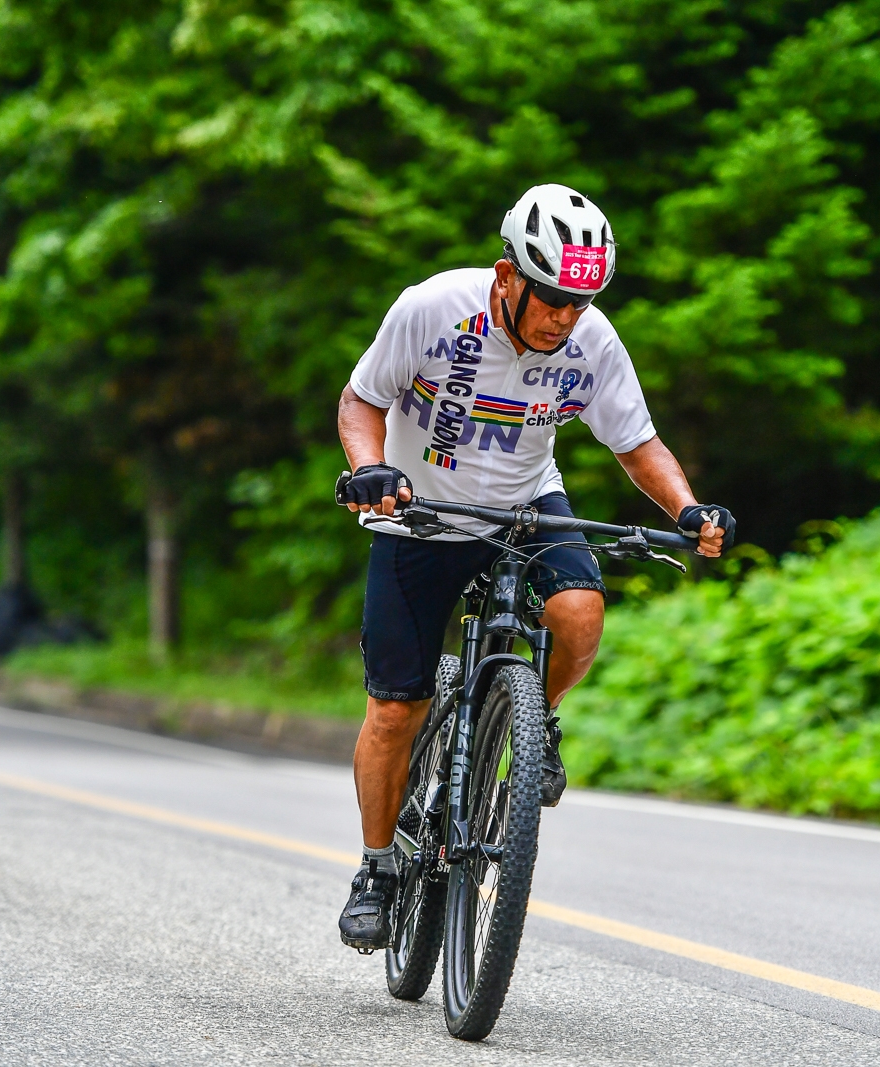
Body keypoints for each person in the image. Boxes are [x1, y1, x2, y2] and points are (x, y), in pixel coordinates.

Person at [333, 184, 736, 951]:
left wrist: (687, 509)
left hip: (524, 506)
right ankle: (377, 868)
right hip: (420, 512)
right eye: (552, 297)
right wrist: (370, 469)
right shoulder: (431, 310)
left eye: (581, 302)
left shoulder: (591, 341)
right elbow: (360, 402)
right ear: (507, 275)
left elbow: (635, 442)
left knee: (580, 609)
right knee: (394, 709)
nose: (565, 316)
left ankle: (532, 717)